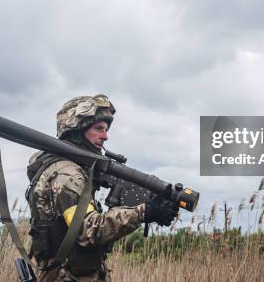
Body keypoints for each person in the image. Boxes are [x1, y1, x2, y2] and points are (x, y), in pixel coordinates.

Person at [26, 94, 178, 281]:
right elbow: (89, 229)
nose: (105, 136)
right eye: (98, 128)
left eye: (105, 129)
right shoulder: (67, 174)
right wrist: (144, 212)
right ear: (76, 130)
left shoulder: (68, 169)